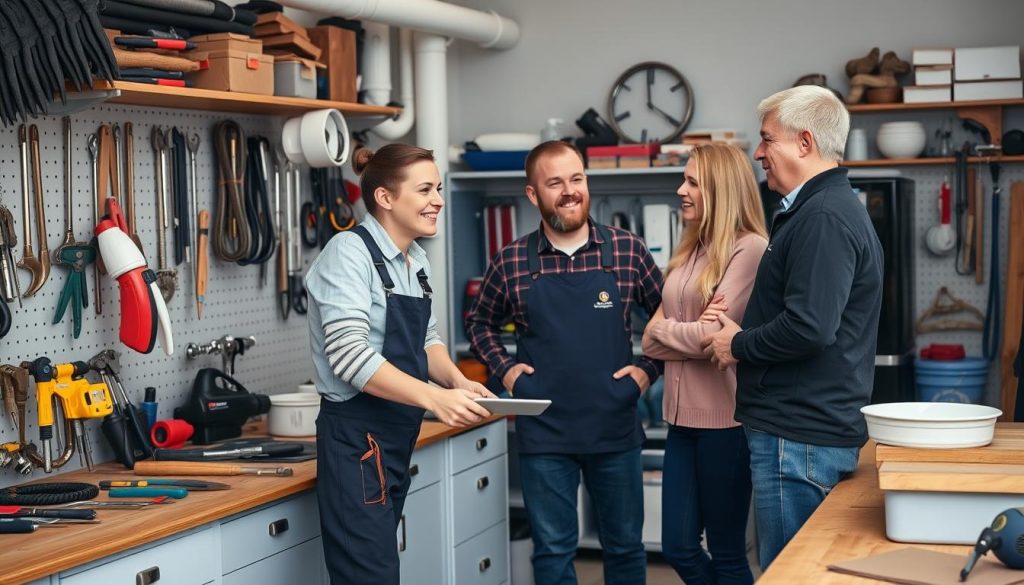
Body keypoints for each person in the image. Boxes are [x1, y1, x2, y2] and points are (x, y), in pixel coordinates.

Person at [465, 140, 663, 585]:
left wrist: (646, 371)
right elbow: (479, 325)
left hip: (614, 426)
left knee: (626, 548)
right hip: (545, 433)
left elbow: (669, 317)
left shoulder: (626, 250)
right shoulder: (513, 259)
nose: (570, 191)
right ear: (533, 194)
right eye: (555, 183)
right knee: (552, 552)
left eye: (577, 179)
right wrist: (508, 373)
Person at [702, 85, 884, 569]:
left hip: (798, 438)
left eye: (767, 140)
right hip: (803, 435)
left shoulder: (822, 216)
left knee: (789, 573)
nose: (758, 153)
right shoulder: (816, 210)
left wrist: (736, 343)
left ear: (804, 142)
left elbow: (809, 327)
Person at [306, 144, 495, 584]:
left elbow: (425, 339)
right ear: (385, 198)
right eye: (426, 189)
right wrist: (433, 398)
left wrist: (458, 381)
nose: (439, 200)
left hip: (394, 437)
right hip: (356, 441)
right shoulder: (348, 253)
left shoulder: (416, 259)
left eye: (440, 189)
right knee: (371, 576)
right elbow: (350, 356)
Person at [642, 143, 767, 585]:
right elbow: (650, 342)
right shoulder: (690, 250)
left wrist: (666, 330)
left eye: (692, 182)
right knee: (677, 547)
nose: (681, 190)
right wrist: (683, 333)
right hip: (680, 420)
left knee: (729, 554)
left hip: (725, 424)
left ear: (722, 189)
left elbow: (714, 339)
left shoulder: (749, 249)